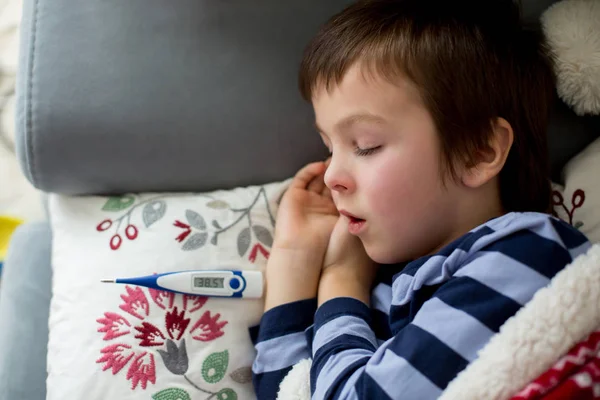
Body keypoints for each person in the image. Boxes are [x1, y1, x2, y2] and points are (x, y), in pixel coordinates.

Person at [250, 0, 591, 398]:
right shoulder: (386, 283)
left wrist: (342, 282)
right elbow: (287, 390)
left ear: (477, 152)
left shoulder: (528, 253)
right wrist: (296, 256)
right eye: (328, 146)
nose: (331, 175)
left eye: (365, 145)